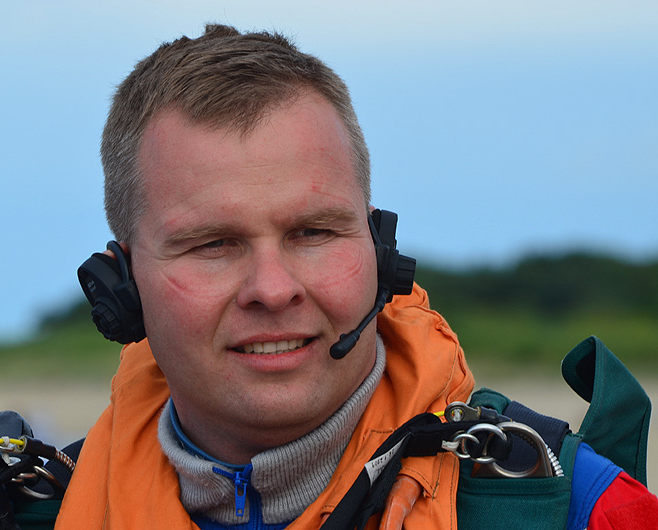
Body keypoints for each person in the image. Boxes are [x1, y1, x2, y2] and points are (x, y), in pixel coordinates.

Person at [54, 24, 657, 530]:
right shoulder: (31, 507)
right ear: (121, 286)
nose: (273, 289)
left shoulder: (577, 507)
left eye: (313, 232)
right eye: (214, 244)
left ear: (380, 252)